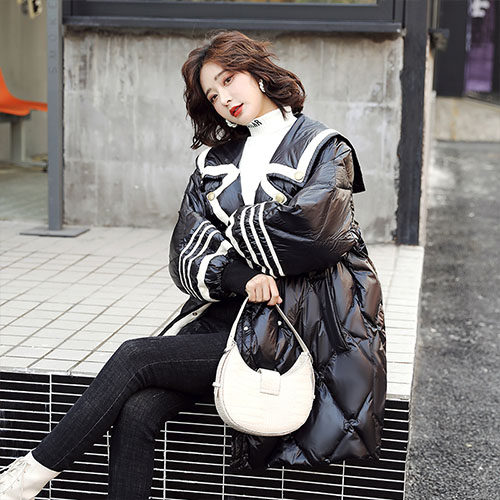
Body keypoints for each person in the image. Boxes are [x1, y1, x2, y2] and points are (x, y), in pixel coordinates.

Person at [0, 30, 386, 499]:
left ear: (258, 73)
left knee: (135, 355)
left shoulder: (325, 147)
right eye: (213, 95)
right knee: (139, 410)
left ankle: (28, 477)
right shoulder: (216, 162)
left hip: (297, 323)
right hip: (229, 317)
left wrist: (230, 232)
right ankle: (27, 480)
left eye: (229, 79)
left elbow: (315, 231)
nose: (224, 98)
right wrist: (243, 274)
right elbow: (186, 247)